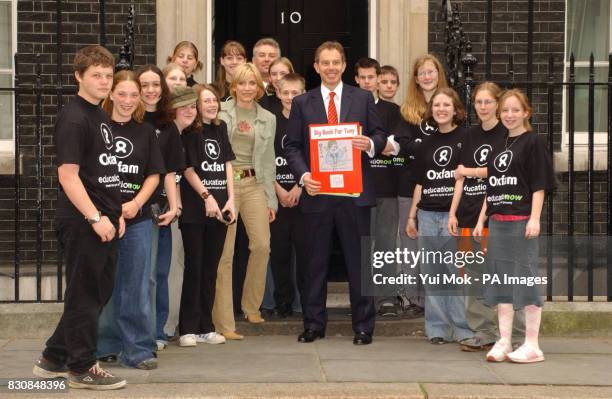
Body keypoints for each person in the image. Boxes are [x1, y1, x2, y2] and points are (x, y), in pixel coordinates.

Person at [32, 45, 127, 390]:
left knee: (95, 292)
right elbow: (68, 176)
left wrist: (115, 215)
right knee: (86, 294)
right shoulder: (74, 117)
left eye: (107, 75)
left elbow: (102, 172)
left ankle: (54, 357)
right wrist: (94, 217)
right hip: (84, 222)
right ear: (79, 77)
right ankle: (82, 367)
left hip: (105, 219)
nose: (104, 81)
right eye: (96, 75)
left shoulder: (99, 114)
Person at [285, 41, 387, 345]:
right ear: (316, 67)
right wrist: (304, 177)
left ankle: (364, 326)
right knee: (314, 262)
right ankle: (314, 324)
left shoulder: (364, 97)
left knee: (359, 263)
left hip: (355, 194)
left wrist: (368, 144)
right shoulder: (303, 102)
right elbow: (292, 146)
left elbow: (379, 134)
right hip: (317, 194)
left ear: (344, 66)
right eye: (324, 62)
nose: (330, 67)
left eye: (336, 62)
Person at [474, 89, 556, 363]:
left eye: (515, 110)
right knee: (502, 283)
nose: (509, 115)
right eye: (505, 110)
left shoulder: (533, 142)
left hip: (521, 222)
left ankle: (532, 345)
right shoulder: (498, 145)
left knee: (526, 281)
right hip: (498, 223)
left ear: (526, 112)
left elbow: (539, 184)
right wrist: (482, 218)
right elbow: (492, 185)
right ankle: (505, 340)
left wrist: (534, 218)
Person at [447, 82, 525, 352]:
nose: (482, 107)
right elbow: (460, 174)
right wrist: (453, 211)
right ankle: (484, 332)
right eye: (478, 102)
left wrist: (472, 170)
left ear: (498, 104)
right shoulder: (469, 135)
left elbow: (500, 175)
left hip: (499, 215)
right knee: (473, 278)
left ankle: (516, 335)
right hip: (469, 215)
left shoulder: (509, 134)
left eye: (488, 102)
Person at [96, 70, 165, 370]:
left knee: (136, 284)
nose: (127, 100)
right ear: (110, 94)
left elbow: (154, 174)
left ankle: (138, 349)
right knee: (105, 283)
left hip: (136, 220)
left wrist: (136, 204)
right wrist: (107, 210)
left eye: (133, 95)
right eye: (121, 94)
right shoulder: (96, 127)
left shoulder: (145, 131)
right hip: (102, 219)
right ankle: (105, 344)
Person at [213, 63, 277, 340]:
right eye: (242, 83)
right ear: (234, 86)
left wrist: (270, 199)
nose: (248, 88)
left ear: (259, 88)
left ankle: (251, 305)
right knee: (224, 255)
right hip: (226, 186)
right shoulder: (220, 111)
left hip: (253, 185)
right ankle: (225, 323)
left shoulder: (267, 118)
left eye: (253, 83)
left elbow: (268, 160)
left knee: (262, 245)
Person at [405, 87, 474, 346]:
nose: (441, 109)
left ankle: (462, 328)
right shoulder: (426, 144)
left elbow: (467, 178)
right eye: (437, 106)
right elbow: (420, 183)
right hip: (427, 215)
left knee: (455, 274)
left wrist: (457, 214)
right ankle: (437, 328)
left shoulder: (467, 138)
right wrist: (412, 216)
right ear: (431, 110)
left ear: (456, 109)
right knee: (433, 275)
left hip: (452, 216)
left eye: (446, 105)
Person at [178, 84, 236, 347]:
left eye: (214, 100)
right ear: (196, 105)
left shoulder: (221, 128)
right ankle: (187, 327)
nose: (212, 105)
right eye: (206, 101)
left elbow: (226, 165)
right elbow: (188, 169)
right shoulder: (191, 132)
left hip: (221, 208)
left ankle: (206, 326)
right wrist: (206, 197)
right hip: (195, 209)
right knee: (195, 267)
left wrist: (231, 199)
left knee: (211, 269)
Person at [395, 54, 448, 318]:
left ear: (439, 75)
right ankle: (412, 298)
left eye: (431, 72)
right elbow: (404, 147)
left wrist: (420, 148)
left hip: (444, 190)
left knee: (438, 248)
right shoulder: (405, 111)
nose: (427, 77)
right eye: (422, 73)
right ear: (415, 79)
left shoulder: (450, 107)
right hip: (410, 187)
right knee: (410, 245)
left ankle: (436, 302)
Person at [136, 65, 184, 352]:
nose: (151, 90)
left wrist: (175, 207)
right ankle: (139, 331)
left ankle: (157, 330)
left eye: (156, 84)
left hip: (160, 210)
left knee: (159, 273)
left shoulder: (168, 125)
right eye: (145, 84)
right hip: (133, 208)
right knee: (142, 274)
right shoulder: (130, 121)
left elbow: (171, 172)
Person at [353, 57, 403, 317]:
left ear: (377, 79)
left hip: (385, 187)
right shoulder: (345, 108)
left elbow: (395, 147)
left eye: (371, 77)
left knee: (385, 245)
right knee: (361, 245)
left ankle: (385, 299)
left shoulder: (392, 111)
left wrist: (374, 144)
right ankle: (362, 301)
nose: (366, 82)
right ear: (356, 79)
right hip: (355, 188)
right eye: (362, 77)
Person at [268, 73, 306, 317]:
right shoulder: (270, 122)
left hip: (304, 194)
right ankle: (283, 302)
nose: (290, 97)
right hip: (276, 194)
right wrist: (277, 189)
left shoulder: (311, 123)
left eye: (296, 93)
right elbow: (262, 160)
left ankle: (304, 303)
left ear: (304, 94)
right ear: (278, 93)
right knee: (279, 252)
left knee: (305, 253)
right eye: (286, 92)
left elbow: (316, 159)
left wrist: (299, 187)